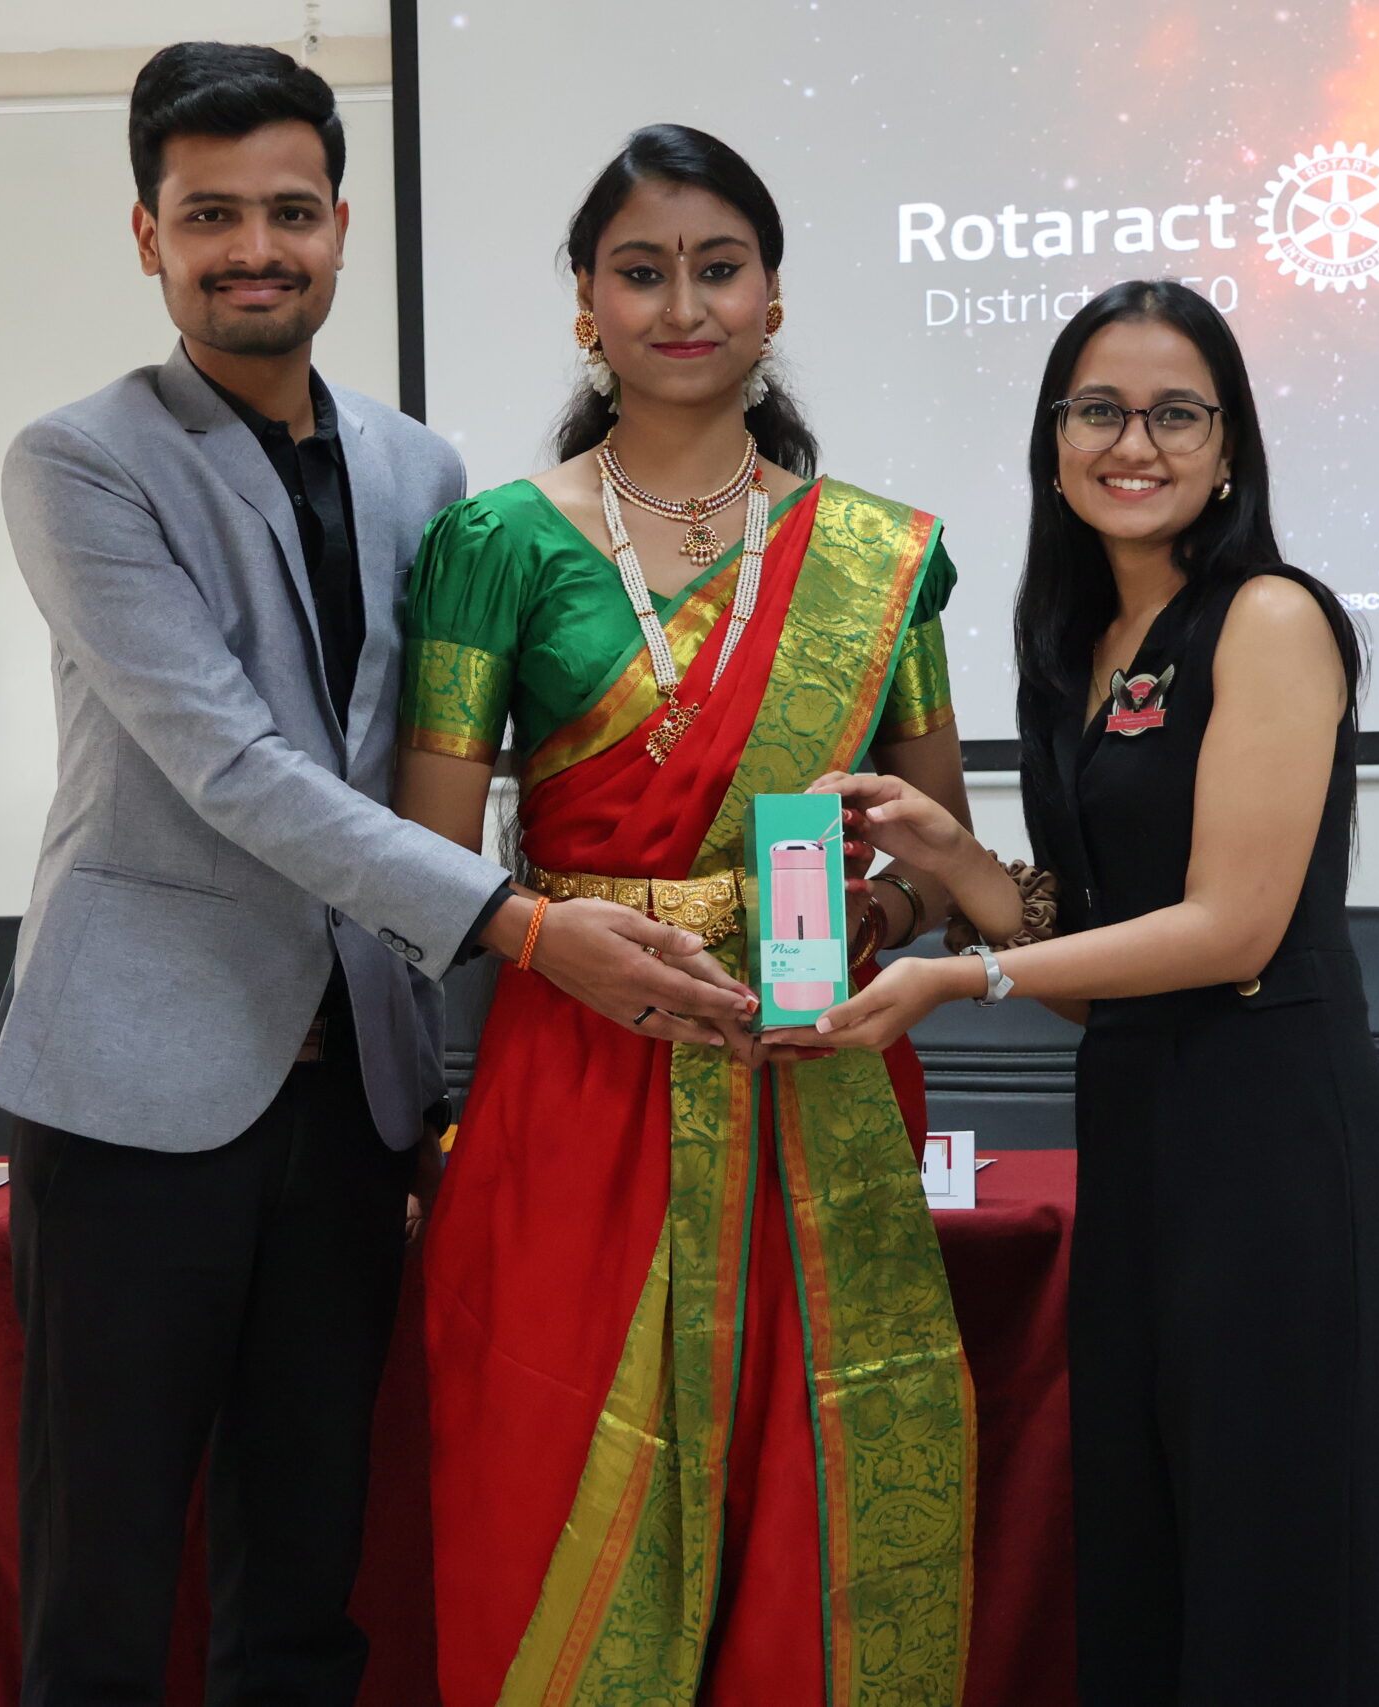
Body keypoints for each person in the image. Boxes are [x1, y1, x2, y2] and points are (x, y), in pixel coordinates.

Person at [0, 48, 754, 1707]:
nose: (253, 249)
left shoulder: (423, 474)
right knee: (104, 1581)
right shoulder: (81, 460)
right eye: (210, 217)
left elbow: (436, 767)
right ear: (147, 235)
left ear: (340, 225)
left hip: (353, 1102)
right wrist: (529, 927)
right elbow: (232, 766)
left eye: (288, 211)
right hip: (136, 1091)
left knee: (306, 1581)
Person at [393, 125, 977, 1705]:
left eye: (719, 268)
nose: (682, 304)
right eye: (640, 272)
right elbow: (431, 856)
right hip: (575, 1064)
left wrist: (869, 915)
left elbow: (941, 854)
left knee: (811, 1475)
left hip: (811, 1074)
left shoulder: (879, 558)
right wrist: (553, 935)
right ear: (587, 305)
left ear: (772, 300)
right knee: (547, 1463)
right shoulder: (495, 547)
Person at [799, 280, 1379, 1705]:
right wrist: (951, 859)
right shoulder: (1072, 651)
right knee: (1147, 1565)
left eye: (1174, 414)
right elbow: (1103, 976)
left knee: (1278, 1579)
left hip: (1277, 1149)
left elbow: (1229, 931)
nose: (1133, 444)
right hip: (1139, 1140)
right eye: (1099, 411)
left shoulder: (1269, 618)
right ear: (1054, 438)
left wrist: (964, 973)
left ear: (1227, 446)